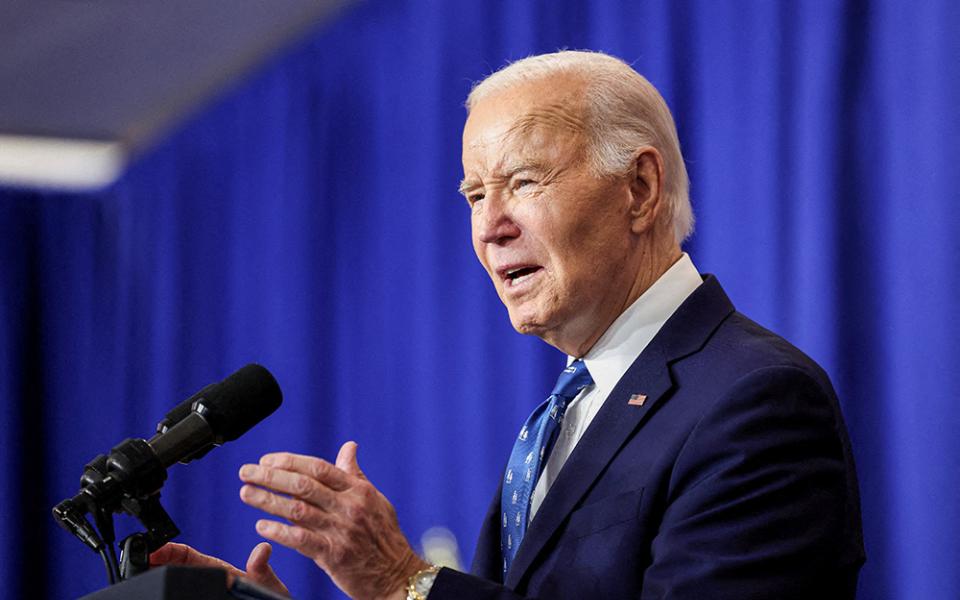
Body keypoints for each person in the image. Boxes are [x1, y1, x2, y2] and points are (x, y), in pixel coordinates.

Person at [152, 51, 865, 599]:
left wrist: (406, 582)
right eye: (473, 193)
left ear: (640, 190)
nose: (490, 226)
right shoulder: (570, 411)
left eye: (524, 182)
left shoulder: (754, 400)